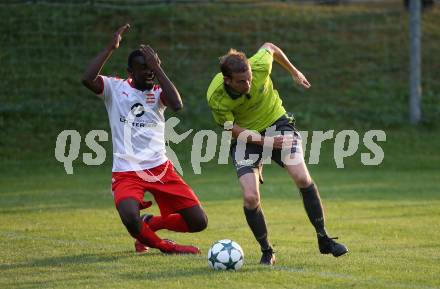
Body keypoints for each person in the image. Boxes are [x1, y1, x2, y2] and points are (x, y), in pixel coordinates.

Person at [206, 43, 348, 265]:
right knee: (251, 197)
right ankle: (267, 251)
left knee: (302, 177)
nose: (248, 84)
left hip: (277, 124)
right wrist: (266, 142)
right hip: (247, 137)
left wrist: (294, 71)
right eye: (242, 82)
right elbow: (230, 129)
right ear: (227, 80)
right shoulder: (216, 95)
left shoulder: (259, 65)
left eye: (250, 78)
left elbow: (270, 47)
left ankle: (324, 238)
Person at [82, 24, 207, 254]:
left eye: (152, 67)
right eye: (144, 68)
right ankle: (165, 246)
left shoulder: (159, 93)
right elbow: (88, 79)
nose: (149, 72)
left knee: (199, 222)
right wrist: (110, 47)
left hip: (160, 168)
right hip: (126, 171)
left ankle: (152, 224)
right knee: (130, 216)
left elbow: (177, 105)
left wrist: (157, 67)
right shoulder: (115, 88)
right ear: (130, 71)